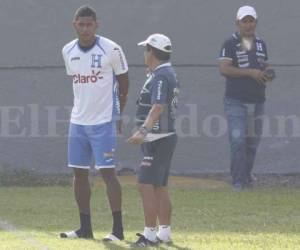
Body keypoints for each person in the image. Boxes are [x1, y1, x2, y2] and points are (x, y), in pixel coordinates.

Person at [60, 5, 129, 241]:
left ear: (96, 24)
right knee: (78, 173)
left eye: (90, 24)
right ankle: (85, 228)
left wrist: (118, 114)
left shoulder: (111, 48)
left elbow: (123, 82)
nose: (86, 28)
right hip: (77, 122)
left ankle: (117, 230)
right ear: (75, 25)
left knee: (108, 173)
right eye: (81, 24)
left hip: (103, 121)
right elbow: (79, 82)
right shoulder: (68, 50)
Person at [128, 33, 180, 247]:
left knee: (145, 184)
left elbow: (158, 106)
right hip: (164, 137)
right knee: (159, 186)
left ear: (151, 52)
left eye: (146, 49)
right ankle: (164, 233)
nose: (144, 53)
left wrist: (143, 130)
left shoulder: (161, 76)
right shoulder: (164, 73)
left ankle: (149, 236)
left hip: (157, 137)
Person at [218, 6, 275, 190]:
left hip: (258, 100)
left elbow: (264, 64)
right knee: (238, 140)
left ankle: (246, 178)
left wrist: (268, 72)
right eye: (245, 21)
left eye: (251, 20)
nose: (248, 24)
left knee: (252, 143)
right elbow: (224, 69)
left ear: (256, 22)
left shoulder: (261, 44)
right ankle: (238, 182)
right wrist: (250, 72)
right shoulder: (229, 43)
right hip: (236, 101)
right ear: (238, 23)